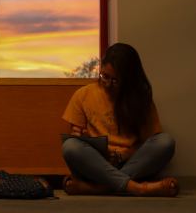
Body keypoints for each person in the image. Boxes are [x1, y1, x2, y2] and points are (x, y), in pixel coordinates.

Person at [61, 43, 178, 197]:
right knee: (70, 146)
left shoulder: (141, 100)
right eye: (105, 77)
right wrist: (79, 136)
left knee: (166, 142)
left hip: (132, 165)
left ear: (129, 80)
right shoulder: (82, 95)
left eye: (115, 81)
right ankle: (136, 188)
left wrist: (120, 156)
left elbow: (148, 143)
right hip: (96, 167)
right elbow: (76, 136)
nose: (108, 84)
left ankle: (100, 188)